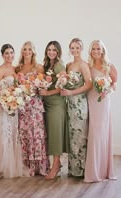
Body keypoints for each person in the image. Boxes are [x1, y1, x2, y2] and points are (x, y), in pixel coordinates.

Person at [0, 44, 29, 178]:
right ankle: (5, 165)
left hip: (15, 106)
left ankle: (13, 164)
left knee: (14, 134)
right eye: (6, 53)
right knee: (5, 134)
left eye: (11, 53)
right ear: (2, 55)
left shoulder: (16, 69)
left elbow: (21, 87)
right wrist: (6, 97)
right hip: (4, 107)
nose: (9, 56)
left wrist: (17, 96)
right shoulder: (0, 70)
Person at [84, 40, 117, 182]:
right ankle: (93, 170)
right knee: (92, 134)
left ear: (103, 50)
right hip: (91, 100)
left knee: (101, 134)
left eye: (99, 48)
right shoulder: (88, 66)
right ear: (90, 51)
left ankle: (103, 170)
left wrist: (107, 90)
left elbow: (114, 84)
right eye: (94, 49)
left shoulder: (109, 66)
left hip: (103, 102)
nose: (96, 51)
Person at [16, 41, 50, 176]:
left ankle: (40, 167)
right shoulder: (18, 68)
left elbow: (43, 86)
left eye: (29, 49)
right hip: (23, 106)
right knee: (25, 135)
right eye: (25, 49)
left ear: (33, 51)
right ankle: (27, 167)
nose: (27, 52)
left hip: (35, 105)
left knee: (37, 134)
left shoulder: (39, 67)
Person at [60, 38, 92, 177]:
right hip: (69, 104)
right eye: (72, 48)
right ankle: (73, 169)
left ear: (81, 49)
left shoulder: (84, 65)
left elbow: (89, 84)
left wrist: (72, 92)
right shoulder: (68, 65)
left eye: (77, 48)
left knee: (80, 135)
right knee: (72, 135)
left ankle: (82, 169)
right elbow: (65, 82)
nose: (74, 50)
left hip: (79, 104)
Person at [40, 40, 68, 179]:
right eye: (49, 49)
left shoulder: (58, 65)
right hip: (46, 104)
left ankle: (55, 166)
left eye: (54, 50)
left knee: (56, 134)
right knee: (50, 134)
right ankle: (56, 163)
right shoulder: (47, 65)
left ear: (58, 52)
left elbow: (63, 85)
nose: (51, 52)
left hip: (56, 104)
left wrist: (48, 93)